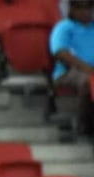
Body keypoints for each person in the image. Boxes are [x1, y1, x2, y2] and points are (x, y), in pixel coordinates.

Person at [50, 0, 94, 133]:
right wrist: (87, 68)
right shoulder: (63, 27)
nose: (84, 11)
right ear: (72, 9)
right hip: (68, 71)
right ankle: (85, 126)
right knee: (87, 81)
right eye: (79, 7)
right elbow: (60, 53)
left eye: (88, 7)